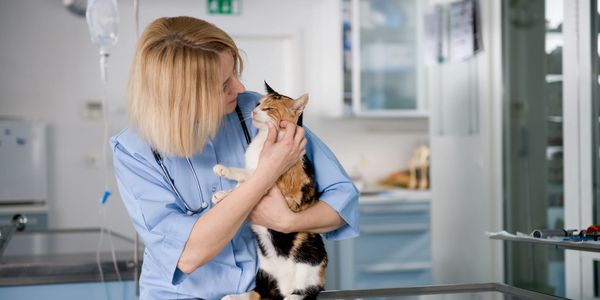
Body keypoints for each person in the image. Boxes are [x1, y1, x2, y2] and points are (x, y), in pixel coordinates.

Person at [111, 16, 358, 299]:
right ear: (185, 97)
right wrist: (266, 173)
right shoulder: (134, 151)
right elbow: (188, 255)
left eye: (235, 73)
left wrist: (288, 221)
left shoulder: (259, 113)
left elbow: (342, 201)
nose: (240, 88)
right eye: (224, 84)